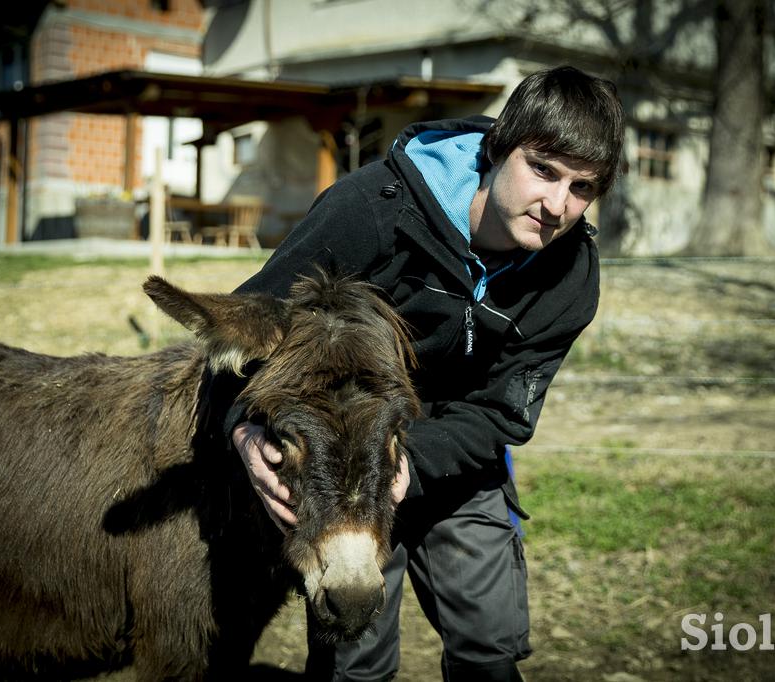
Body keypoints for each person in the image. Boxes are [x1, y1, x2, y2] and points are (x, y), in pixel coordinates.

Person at [229, 65, 625, 681]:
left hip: (455, 460)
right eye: (543, 170)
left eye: (582, 188)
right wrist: (242, 428)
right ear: (498, 148)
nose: (556, 205)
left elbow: (501, 411)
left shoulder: (570, 277)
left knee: (489, 649)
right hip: (346, 463)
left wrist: (412, 464)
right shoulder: (369, 210)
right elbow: (251, 329)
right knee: (353, 662)